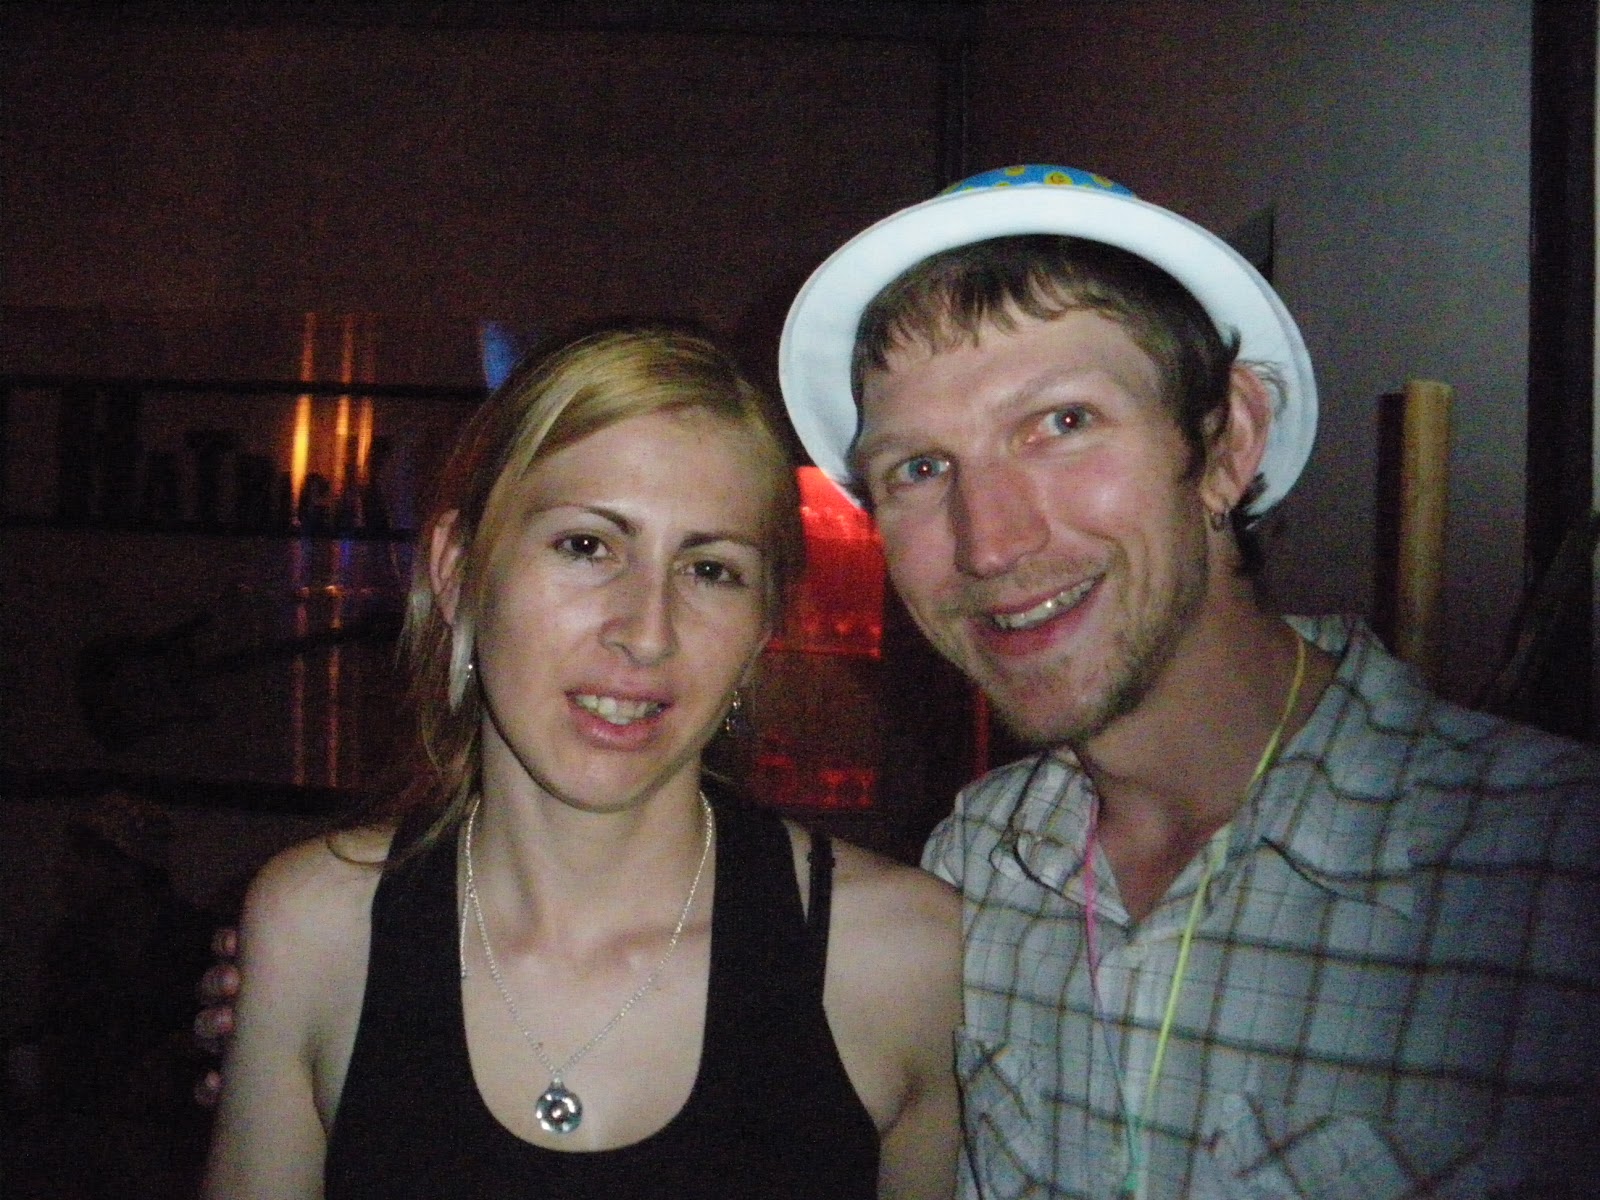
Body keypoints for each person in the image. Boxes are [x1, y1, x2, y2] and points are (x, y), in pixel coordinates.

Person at [774, 164, 1600, 1198]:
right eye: (920, 469)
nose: (989, 543)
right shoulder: (975, 865)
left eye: (1061, 423)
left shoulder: (1551, 872)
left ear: (1226, 443)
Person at [199, 326, 961, 1199]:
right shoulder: (316, 929)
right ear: (458, 573)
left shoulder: (903, 958)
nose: (647, 632)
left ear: (761, 627)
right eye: (586, 546)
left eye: (711, 569)